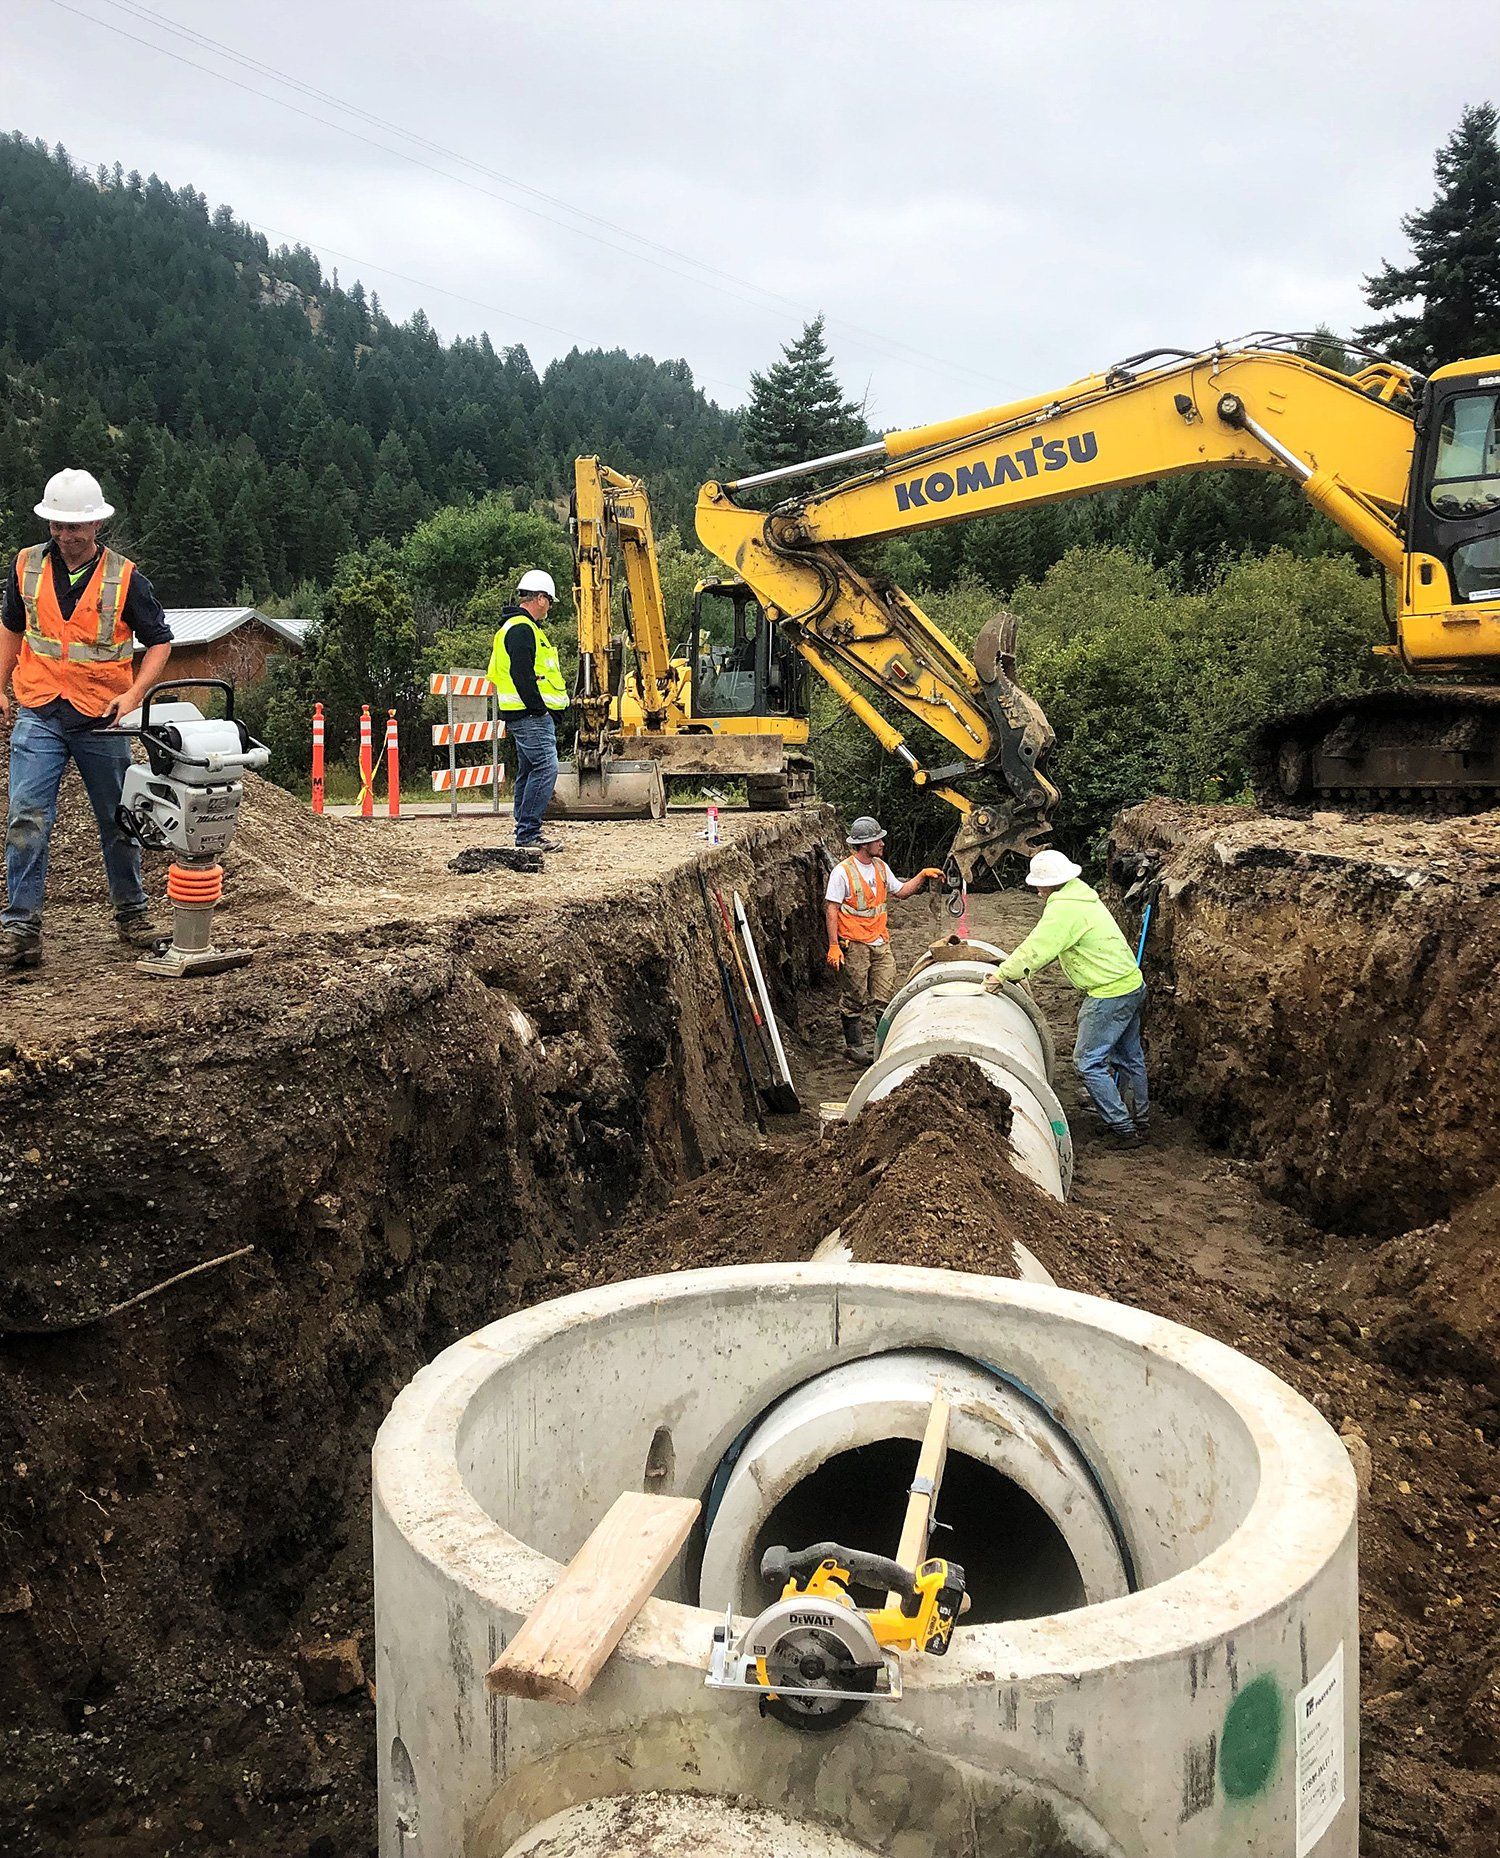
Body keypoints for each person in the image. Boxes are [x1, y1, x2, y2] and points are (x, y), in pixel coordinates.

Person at [1, 469, 173, 971]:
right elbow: (12, 627)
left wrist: (135, 695)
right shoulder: (25, 567)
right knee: (26, 817)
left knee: (120, 819)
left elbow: (160, 641)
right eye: (58, 525)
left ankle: (132, 913)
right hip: (39, 709)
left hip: (102, 715)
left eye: (75, 526)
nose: (66, 535)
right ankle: (21, 929)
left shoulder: (125, 577)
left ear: (95, 525)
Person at [983, 848, 1149, 1147]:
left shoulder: (1064, 910)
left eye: (1038, 884)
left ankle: (1122, 1128)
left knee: (1087, 1061)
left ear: (1049, 884)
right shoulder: (1083, 897)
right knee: (1128, 1056)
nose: (1035, 890)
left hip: (1107, 993)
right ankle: (1139, 1119)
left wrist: (1004, 974)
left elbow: (1039, 947)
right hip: (1131, 984)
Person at [824, 816, 944, 1064]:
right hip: (854, 943)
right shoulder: (842, 872)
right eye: (877, 839)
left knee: (885, 994)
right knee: (855, 995)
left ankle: (884, 1043)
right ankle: (855, 1046)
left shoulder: (880, 867)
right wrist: (834, 945)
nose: (882, 843)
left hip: (880, 941)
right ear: (864, 844)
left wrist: (922, 875)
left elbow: (901, 892)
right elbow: (831, 909)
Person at [487, 568, 569, 852]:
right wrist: (539, 709)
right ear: (542, 598)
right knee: (547, 767)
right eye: (549, 601)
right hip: (529, 715)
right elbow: (522, 674)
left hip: (521, 714)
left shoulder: (515, 627)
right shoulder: (522, 629)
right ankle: (528, 833)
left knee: (529, 770)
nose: (548, 608)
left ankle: (524, 829)